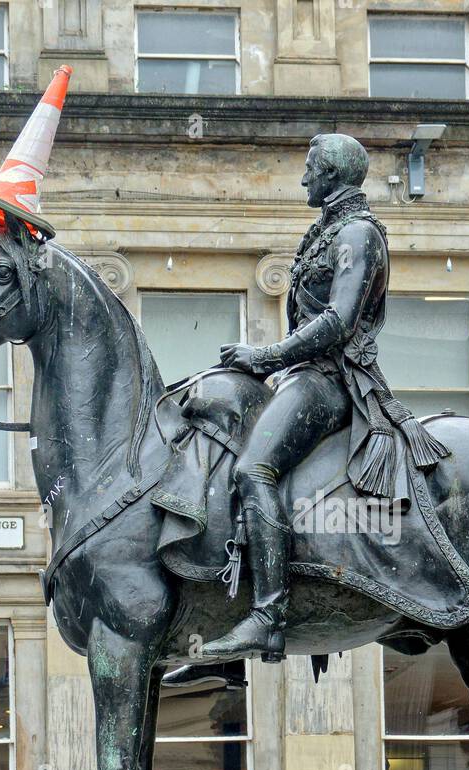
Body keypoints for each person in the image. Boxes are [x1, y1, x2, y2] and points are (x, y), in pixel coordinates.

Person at [187, 133, 449, 664]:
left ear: (331, 173)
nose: (303, 178)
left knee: (252, 471)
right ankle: (220, 614)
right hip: (299, 377)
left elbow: (338, 321)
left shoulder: (357, 233)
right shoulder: (326, 231)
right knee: (220, 446)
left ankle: (269, 616)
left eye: (310, 168)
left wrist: (265, 357)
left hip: (331, 380)